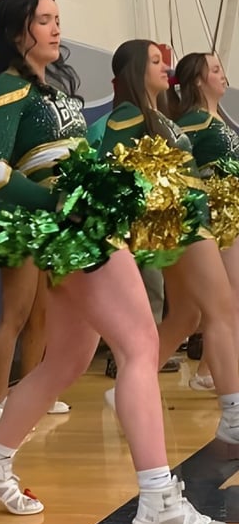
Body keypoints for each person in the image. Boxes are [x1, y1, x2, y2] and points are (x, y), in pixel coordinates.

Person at [0, 0, 226, 524]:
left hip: (87, 223)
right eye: (45, 20)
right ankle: (157, 498)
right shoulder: (9, 86)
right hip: (72, 229)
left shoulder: (49, 86)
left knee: (65, 362)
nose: (57, 28)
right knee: (139, 345)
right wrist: (55, 204)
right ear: (18, 32)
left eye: (59, 18)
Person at [99, 41, 239, 438]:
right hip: (180, 221)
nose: (166, 67)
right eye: (156, 61)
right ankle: (233, 415)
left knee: (186, 316)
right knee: (222, 308)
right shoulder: (128, 115)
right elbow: (110, 165)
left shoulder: (161, 114)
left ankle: (125, 388)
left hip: (188, 218)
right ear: (134, 70)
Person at [166, 51, 239, 392]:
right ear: (197, 80)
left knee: (214, 305)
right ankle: (217, 377)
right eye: (215, 69)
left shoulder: (215, 119)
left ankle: (209, 372)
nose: (222, 75)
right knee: (224, 300)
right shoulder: (190, 123)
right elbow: (178, 168)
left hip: (229, 216)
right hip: (210, 218)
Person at [0, 259, 70, 429]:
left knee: (40, 318)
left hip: (45, 234)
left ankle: (29, 399)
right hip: (20, 234)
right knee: (15, 315)